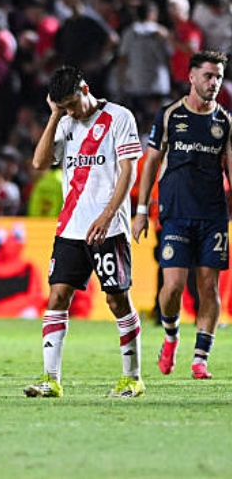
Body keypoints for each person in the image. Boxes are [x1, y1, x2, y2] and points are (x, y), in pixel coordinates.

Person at [24, 65, 145, 398]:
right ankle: (51, 379)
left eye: (73, 104)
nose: (71, 112)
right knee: (58, 296)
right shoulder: (64, 122)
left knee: (116, 300)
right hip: (71, 227)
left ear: (86, 89)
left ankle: (132, 378)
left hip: (109, 228)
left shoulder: (119, 118)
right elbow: (39, 162)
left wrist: (108, 216)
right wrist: (54, 117)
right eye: (63, 107)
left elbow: (128, 172)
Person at [133, 50, 232, 380]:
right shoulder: (170, 115)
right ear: (191, 77)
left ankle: (200, 358)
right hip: (175, 212)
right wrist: (142, 210)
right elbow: (151, 162)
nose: (214, 82)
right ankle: (171, 337)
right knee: (172, 287)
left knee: (208, 287)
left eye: (218, 76)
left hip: (213, 215)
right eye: (208, 75)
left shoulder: (224, 121)